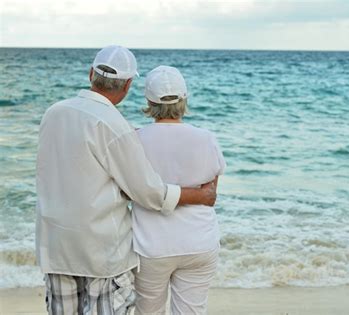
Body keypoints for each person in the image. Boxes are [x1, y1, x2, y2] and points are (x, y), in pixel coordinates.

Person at [35, 46, 217, 315]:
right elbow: (148, 193)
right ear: (128, 85)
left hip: (56, 247)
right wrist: (199, 196)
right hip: (101, 254)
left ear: (90, 74)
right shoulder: (114, 125)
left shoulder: (53, 113)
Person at [132, 66, 226, 315]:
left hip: (151, 246)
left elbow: (130, 191)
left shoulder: (135, 139)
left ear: (149, 101)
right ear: (184, 99)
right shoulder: (206, 138)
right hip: (199, 242)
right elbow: (211, 192)